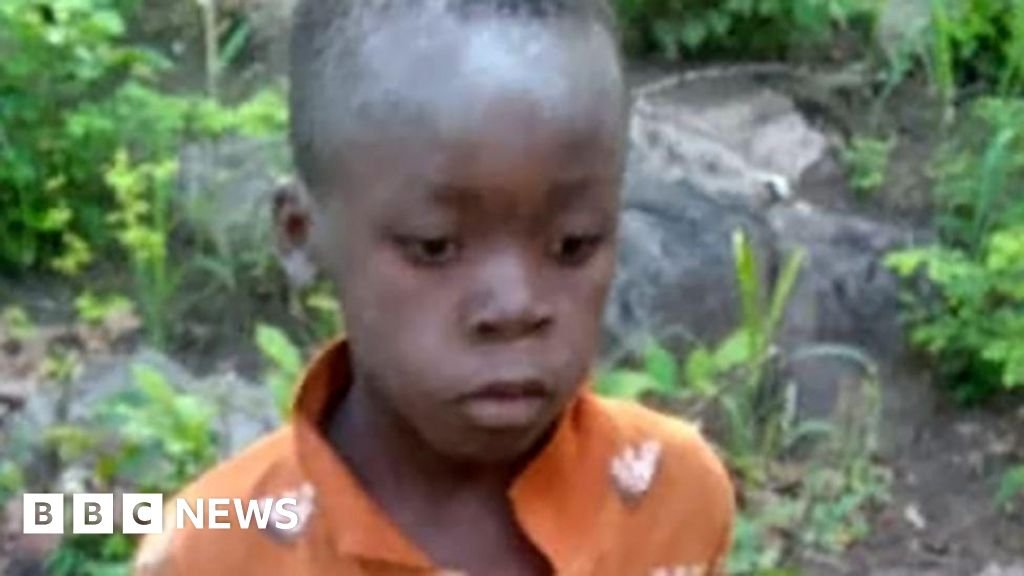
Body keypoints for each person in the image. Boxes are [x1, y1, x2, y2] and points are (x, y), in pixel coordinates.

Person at [136, 1, 734, 574]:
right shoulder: (214, 550)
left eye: (572, 245)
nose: (515, 307)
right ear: (299, 234)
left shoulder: (670, 498)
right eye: (435, 246)